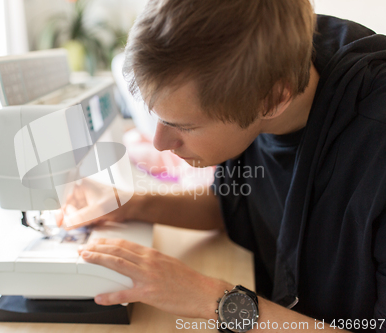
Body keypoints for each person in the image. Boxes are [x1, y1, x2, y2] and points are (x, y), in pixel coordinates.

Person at [57, 0, 386, 331]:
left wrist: (210, 298)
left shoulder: (375, 147)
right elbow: (235, 206)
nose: (160, 142)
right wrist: (128, 205)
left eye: (183, 126)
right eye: (157, 116)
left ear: (273, 99)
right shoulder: (262, 63)